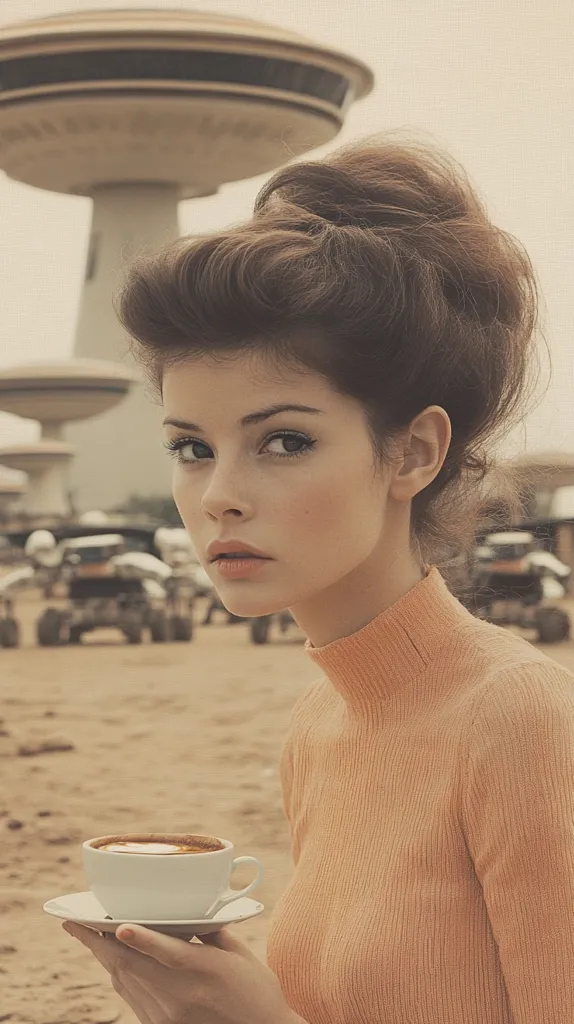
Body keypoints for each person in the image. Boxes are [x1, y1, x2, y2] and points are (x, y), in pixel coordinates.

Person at [62, 134, 574, 1024]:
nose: (218, 496)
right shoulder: (321, 722)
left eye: (285, 440)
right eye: (192, 448)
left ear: (413, 452)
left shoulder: (521, 718)